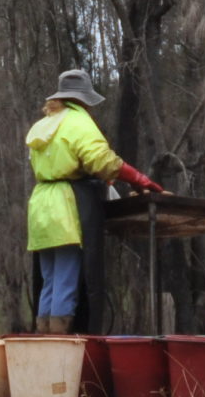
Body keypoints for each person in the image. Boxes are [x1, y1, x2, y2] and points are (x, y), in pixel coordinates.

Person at [27, 70, 161, 333]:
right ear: (84, 99)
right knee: (66, 279)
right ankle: (59, 344)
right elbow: (101, 159)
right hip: (66, 206)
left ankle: (41, 340)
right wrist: (138, 179)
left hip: (41, 206)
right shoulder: (78, 121)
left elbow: (60, 161)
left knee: (49, 281)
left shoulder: (45, 124)